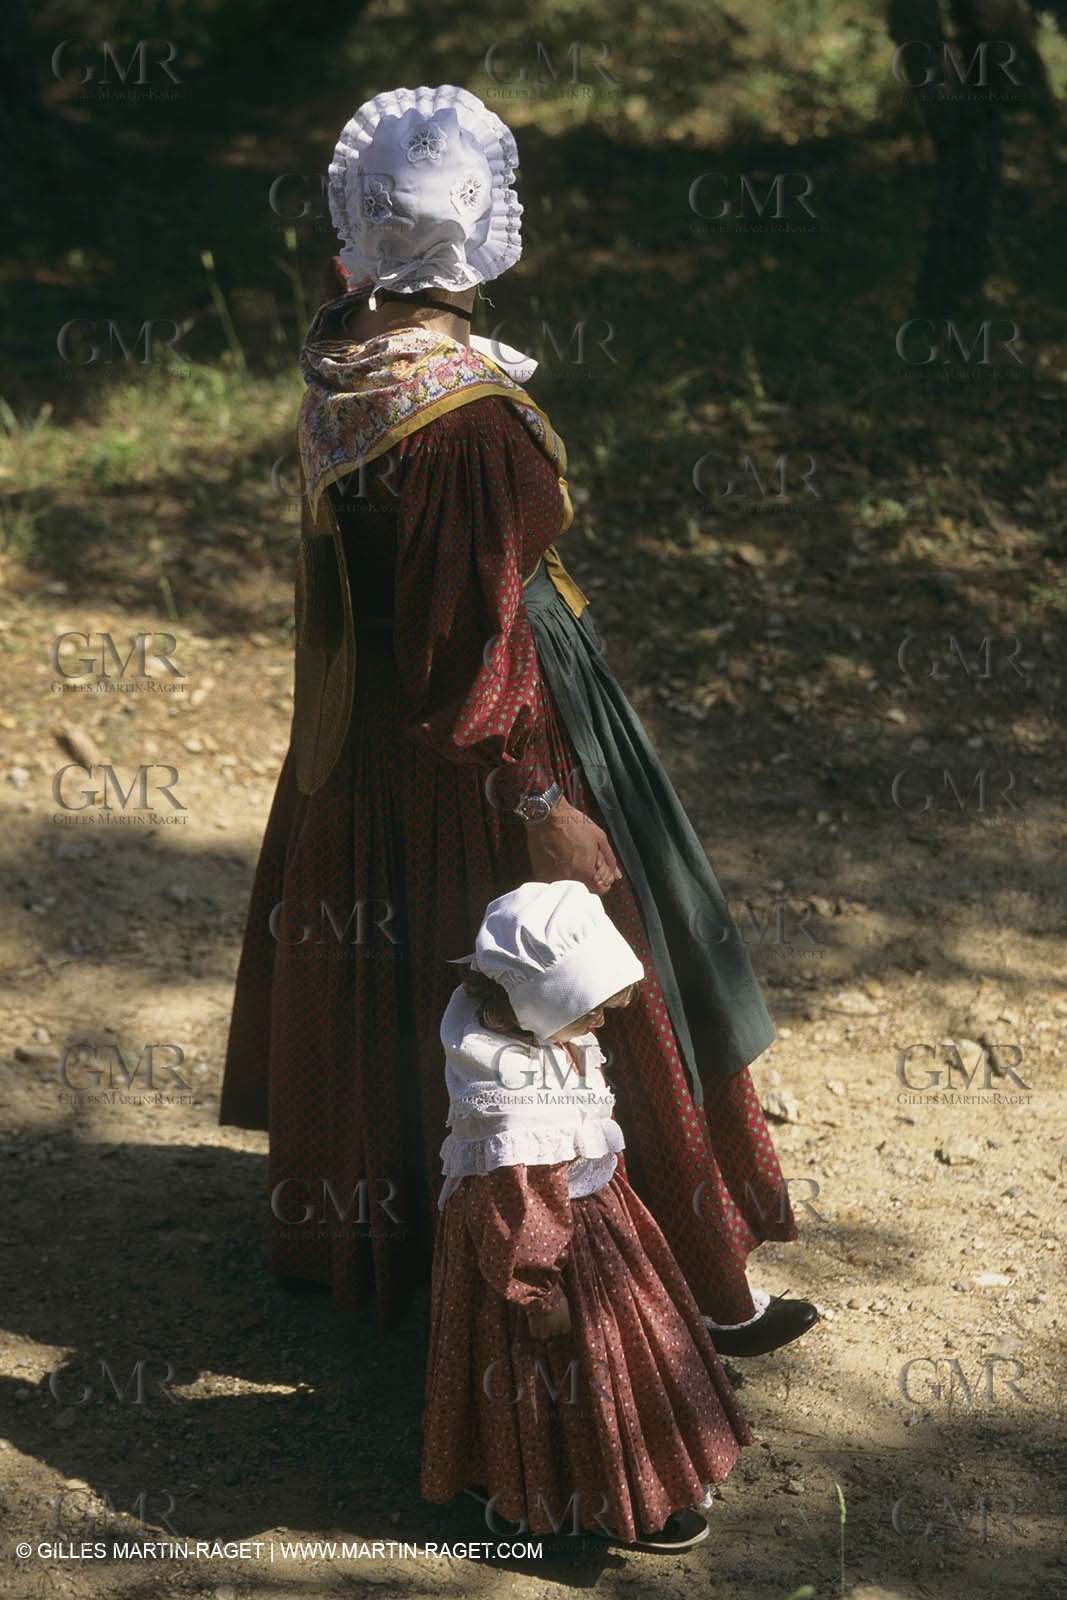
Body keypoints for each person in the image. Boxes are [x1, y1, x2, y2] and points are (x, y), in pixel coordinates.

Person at [219, 82, 818, 1354]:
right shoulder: (469, 421)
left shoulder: (346, 352)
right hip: (495, 722)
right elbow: (468, 652)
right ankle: (668, 1281)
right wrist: (539, 804)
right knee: (586, 971)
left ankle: (393, 1244)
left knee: (404, 979)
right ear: (479, 235)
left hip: (365, 729)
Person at [422, 879, 752, 1550]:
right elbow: (512, 1206)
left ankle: (559, 1477)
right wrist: (536, 1289)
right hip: (551, 1246)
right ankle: (603, 1495)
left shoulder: (510, 1026)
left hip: (584, 1216)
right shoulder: (513, 1101)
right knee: (575, 1369)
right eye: (587, 1012)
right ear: (535, 1004)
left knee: (613, 1357)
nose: (599, 1025)